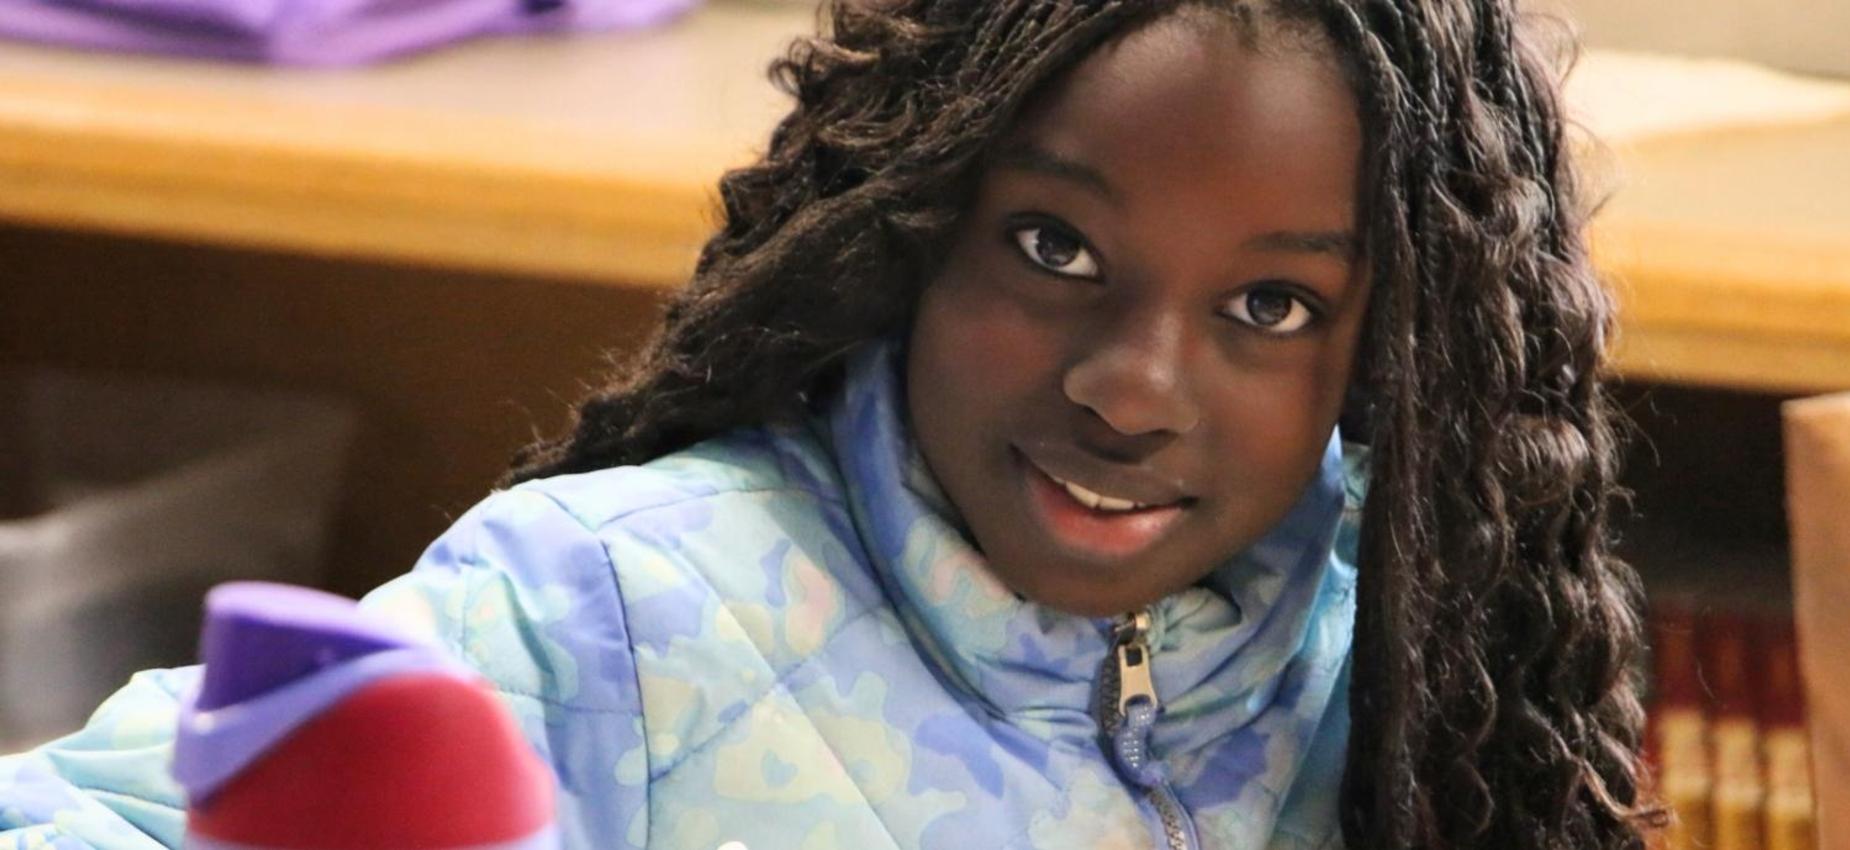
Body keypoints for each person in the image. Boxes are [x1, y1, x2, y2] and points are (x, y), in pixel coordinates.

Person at [0, 1, 1662, 848]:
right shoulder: (623, 600)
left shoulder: (1404, 650)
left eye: (1270, 307)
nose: (1131, 383)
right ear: (910, 225)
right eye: (1054, 249)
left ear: (1386, 349)